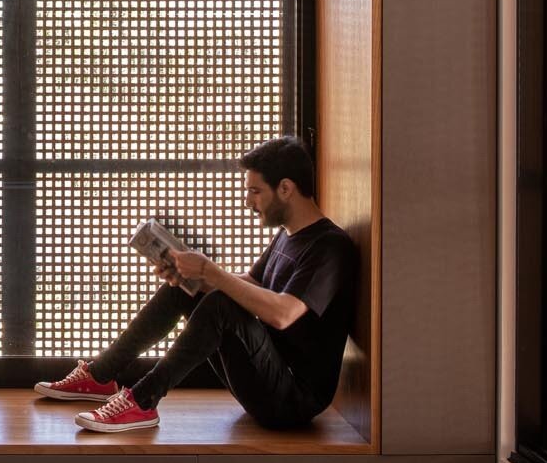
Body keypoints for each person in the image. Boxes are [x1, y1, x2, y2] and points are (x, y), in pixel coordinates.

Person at [34, 137, 359, 433]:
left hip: (291, 400)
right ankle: (101, 375)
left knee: (221, 303)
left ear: (286, 189)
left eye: (255, 191)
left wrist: (213, 273)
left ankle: (143, 401)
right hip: (266, 376)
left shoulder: (330, 247)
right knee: (187, 288)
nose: (248, 201)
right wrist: (195, 278)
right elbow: (250, 285)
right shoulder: (288, 236)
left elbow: (283, 313)